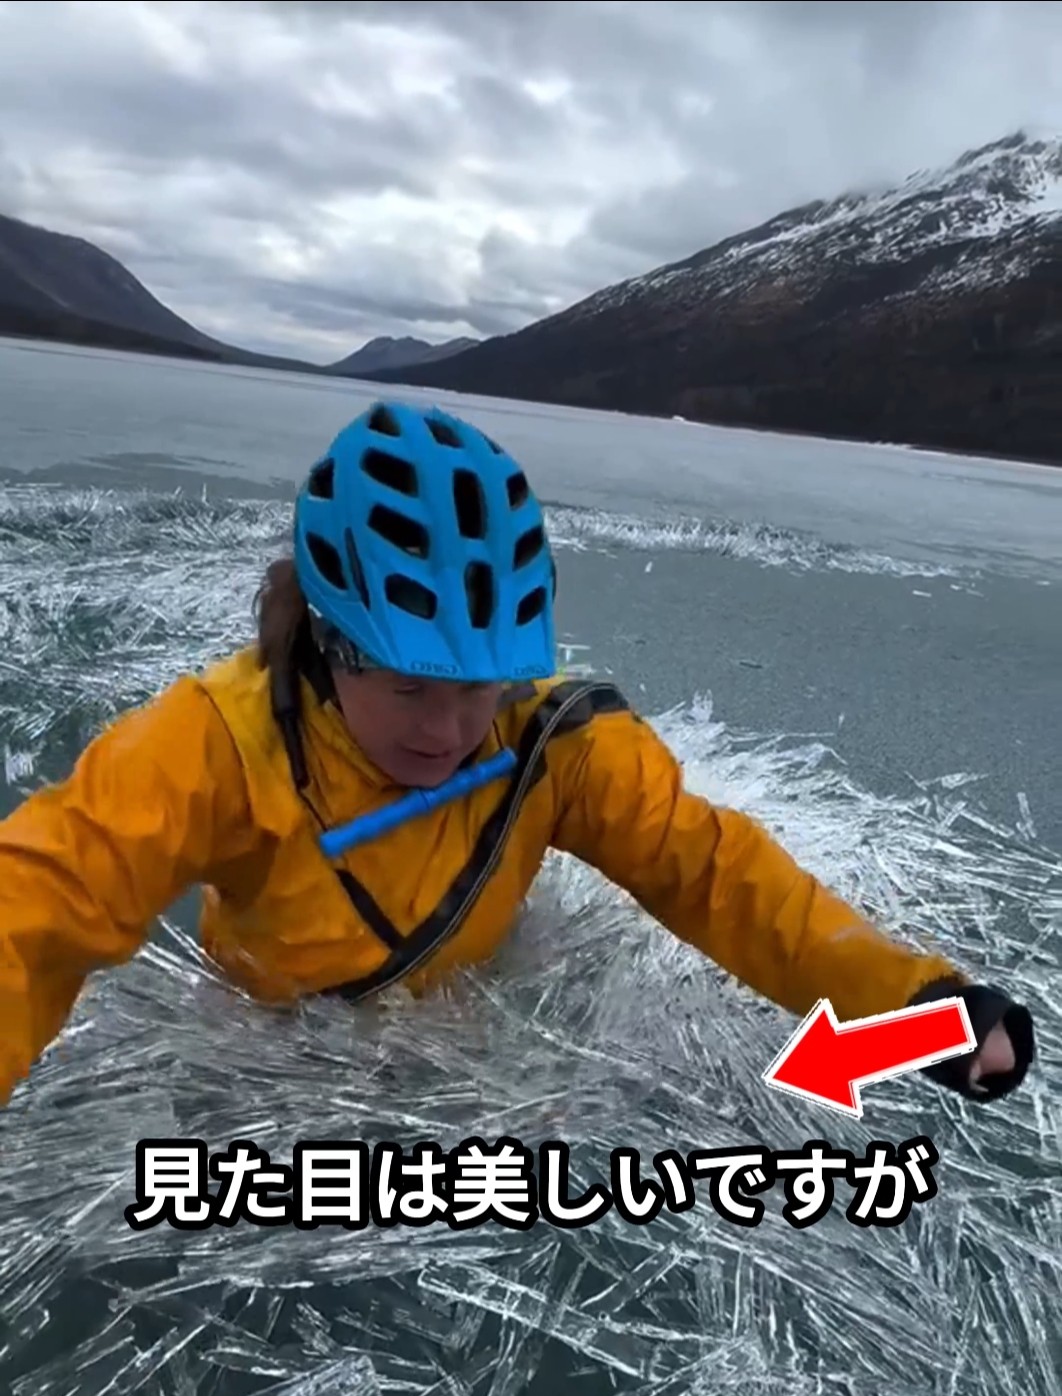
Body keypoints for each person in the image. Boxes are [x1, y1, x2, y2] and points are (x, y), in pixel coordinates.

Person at [0, 399, 1034, 1112]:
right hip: (257, 1059)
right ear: (328, 638)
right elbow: (42, 898)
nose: (451, 731)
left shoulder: (550, 741)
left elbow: (715, 872)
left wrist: (922, 1013)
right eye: (411, 687)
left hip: (462, 1039)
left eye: (480, 686)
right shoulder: (217, 744)